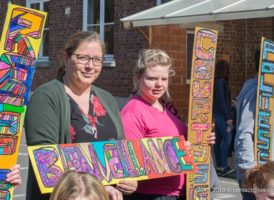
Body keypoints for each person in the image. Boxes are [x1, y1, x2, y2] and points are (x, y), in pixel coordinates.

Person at [25, 31, 137, 200]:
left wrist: (129, 177)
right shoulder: (46, 97)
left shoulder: (107, 98)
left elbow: (120, 150)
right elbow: (46, 160)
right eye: (83, 57)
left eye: (97, 59)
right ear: (66, 58)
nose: (90, 66)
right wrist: (100, 184)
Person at [121, 48, 218, 200]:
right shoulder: (133, 111)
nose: (159, 84)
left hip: (183, 191)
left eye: (164, 79)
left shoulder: (166, 107)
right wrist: (178, 153)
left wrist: (202, 140)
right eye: (152, 78)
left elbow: (184, 142)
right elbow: (132, 161)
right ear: (138, 78)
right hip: (154, 195)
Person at [235, 47, 274, 200]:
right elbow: (244, 133)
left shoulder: (259, 89)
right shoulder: (256, 91)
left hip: (268, 174)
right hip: (259, 177)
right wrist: (250, 171)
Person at [212, 60, 235, 177]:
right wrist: (228, 117)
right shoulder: (221, 81)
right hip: (222, 116)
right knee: (228, 138)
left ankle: (219, 166)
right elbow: (221, 100)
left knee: (218, 141)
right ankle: (224, 166)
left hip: (216, 115)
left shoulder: (215, 81)